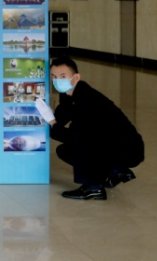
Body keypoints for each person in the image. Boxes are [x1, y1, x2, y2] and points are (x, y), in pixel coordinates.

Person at [35, 56, 144, 200]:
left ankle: (94, 187)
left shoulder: (87, 99)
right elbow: (60, 121)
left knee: (82, 143)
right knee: (64, 150)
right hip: (109, 144)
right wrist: (46, 122)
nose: (57, 80)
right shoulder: (69, 95)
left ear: (76, 77)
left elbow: (77, 136)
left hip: (127, 149)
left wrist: (52, 122)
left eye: (63, 76)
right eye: (54, 77)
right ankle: (116, 171)